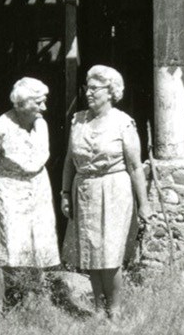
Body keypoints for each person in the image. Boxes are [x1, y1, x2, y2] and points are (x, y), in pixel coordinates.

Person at [62, 65, 153, 319]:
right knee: (91, 253)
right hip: (85, 190)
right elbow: (70, 160)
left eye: (94, 88)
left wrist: (144, 204)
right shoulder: (78, 120)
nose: (88, 93)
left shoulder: (123, 123)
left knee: (110, 254)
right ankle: (98, 309)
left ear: (110, 92)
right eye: (86, 88)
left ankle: (115, 310)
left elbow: (135, 167)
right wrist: (65, 193)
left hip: (114, 191)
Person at [0, 77, 60, 311]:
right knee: (6, 246)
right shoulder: (0, 128)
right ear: (22, 104)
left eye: (44, 102)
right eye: (39, 103)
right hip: (9, 188)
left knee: (38, 241)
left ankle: (33, 300)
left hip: (38, 189)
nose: (44, 108)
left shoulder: (41, 125)